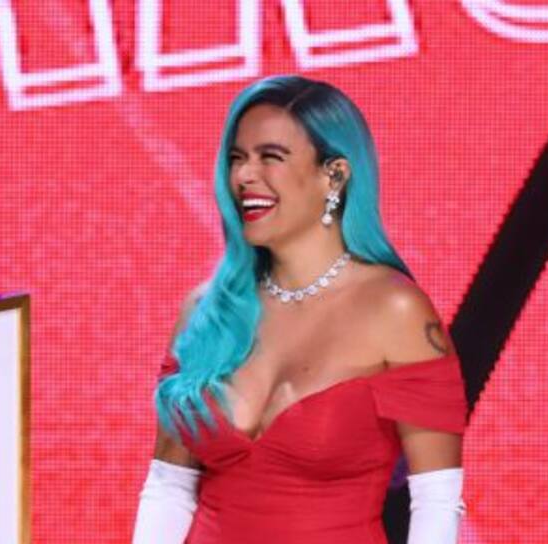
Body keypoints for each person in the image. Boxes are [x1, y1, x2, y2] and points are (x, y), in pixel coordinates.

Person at [132, 75, 468, 544]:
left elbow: (435, 504)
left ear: (335, 175)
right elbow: (169, 488)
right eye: (237, 158)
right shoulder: (206, 310)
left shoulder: (396, 310)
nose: (244, 176)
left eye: (270, 156)